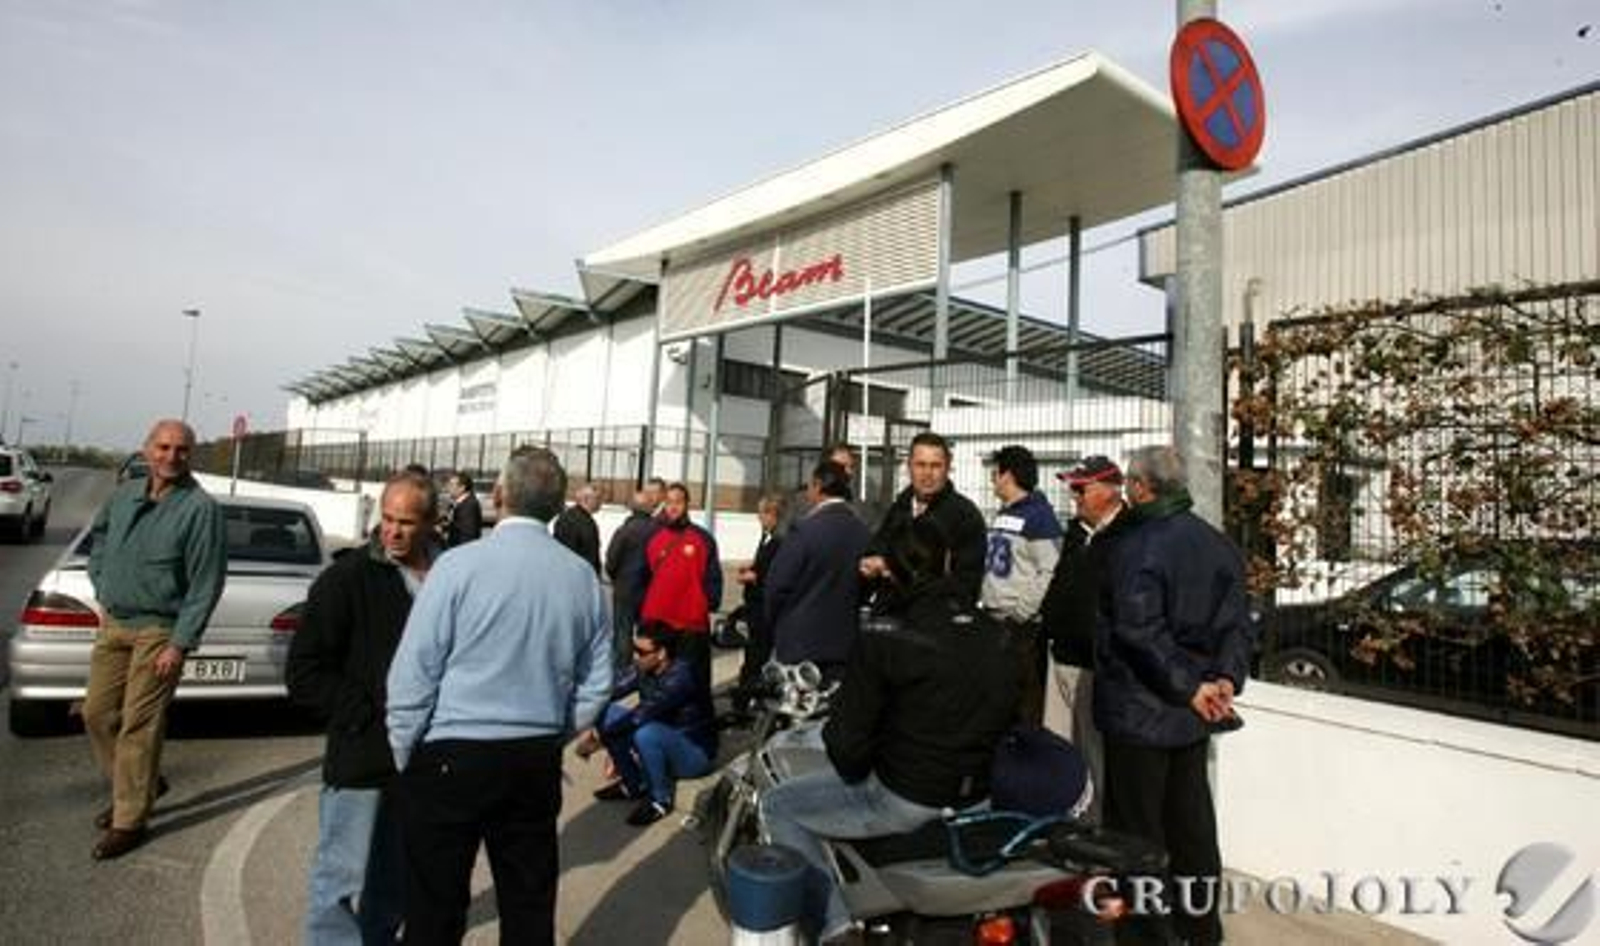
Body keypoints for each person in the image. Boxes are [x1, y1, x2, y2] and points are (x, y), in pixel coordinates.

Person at [385, 447, 612, 946]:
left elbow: (414, 672)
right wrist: (556, 729)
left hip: (451, 752)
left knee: (433, 908)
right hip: (532, 756)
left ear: (501, 494)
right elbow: (598, 680)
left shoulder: (458, 566)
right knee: (528, 906)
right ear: (558, 505)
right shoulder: (582, 578)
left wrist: (405, 750)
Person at [761, 515, 1019, 943]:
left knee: (778, 805)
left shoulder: (886, 635)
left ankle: (835, 927)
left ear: (890, 570)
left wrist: (865, 764)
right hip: (977, 794)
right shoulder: (995, 632)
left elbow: (847, 741)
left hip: (907, 795)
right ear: (948, 560)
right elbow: (1008, 713)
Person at [1094, 445, 1254, 946]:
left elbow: (1139, 630)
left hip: (1142, 712)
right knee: (1192, 827)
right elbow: (1237, 623)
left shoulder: (1136, 546)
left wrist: (1191, 687)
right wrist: (1224, 678)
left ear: (1142, 488)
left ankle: (1148, 934)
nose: (1126, 491)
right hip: (1192, 715)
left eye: (1129, 484)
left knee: (1137, 835)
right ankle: (1201, 928)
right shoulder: (1218, 543)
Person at [287, 470, 440, 945]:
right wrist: (363, 715)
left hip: (424, 758)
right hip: (363, 757)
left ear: (431, 522)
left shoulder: (450, 575)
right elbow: (304, 672)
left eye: (406, 523)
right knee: (341, 877)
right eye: (387, 519)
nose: (393, 531)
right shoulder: (346, 579)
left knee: (395, 877)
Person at [82, 419, 227, 860]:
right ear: (147, 449)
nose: (171, 456)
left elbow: (206, 582)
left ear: (191, 455)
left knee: (139, 726)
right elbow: (100, 539)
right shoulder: (125, 494)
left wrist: (180, 643)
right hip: (115, 622)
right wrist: (102, 584)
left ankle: (129, 820)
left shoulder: (200, 509)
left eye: (181, 449)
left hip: (159, 631)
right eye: (163, 447)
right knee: (96, 713)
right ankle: (143, 783)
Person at [1040, 455, 1135, 823]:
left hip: (1096, 666)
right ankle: (1062, 821)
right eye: (1073, 488)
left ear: (1111, 491)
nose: (1075, 496)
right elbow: (1061, 584)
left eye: (1082, 488)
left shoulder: (1129, 536)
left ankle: (1095, 827)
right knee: (1059, 751)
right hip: (1061, 656)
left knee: (1094, 755)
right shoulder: (1078, 532)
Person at [575, 629, 717, 826]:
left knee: (645, 733)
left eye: (642, 652)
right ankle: (634, 784)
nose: (636, 656)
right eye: (634, 650)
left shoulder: (680, 677)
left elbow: (640, 715)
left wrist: (597, 742)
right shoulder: (645, 668)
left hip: (693, 754)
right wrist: (586, 720)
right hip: (662, 740)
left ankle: (660, 800)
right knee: (606, 712)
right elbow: (610, 690)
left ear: (662, 653)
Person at [764, 460, 871, 683]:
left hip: (800, 645)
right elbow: (867, 585)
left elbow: (777, 586)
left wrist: (778, 623)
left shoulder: (804, 530)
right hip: (843, 643)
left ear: (817, 486)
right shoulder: (863, 532)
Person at [981, 445, 1062, 727]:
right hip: (995, 619)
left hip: (1020, 626)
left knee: (1023, 704)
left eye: (995, 473)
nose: (992, 480)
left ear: (1008, 475)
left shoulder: (1039, 516)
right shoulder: (1006, 513)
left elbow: (1050, 569)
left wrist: (1021, 612)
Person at [860, 431, 987, 605]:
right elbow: (878, 549)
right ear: (909, 466)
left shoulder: (965, 516)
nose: (927, 473)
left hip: (935, 617)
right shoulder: (900, 507)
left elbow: (966, 587)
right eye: (920, 465)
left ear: (948, 468)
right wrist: (869, 565)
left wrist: (895, 571)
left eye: (935, 466)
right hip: (888, 615)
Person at [634, 482, 722, 695]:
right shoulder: (654, 538)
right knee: (656, 684)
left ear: (687, 504)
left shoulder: (703, 539)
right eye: (669, 502)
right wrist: (642, 619)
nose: (673, 507)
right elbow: (643, 579)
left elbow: (713, 579)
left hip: (691, 625)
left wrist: (705, 603)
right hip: (658, 623)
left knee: (693, 683)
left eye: (678, 502)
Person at [732, 494, 785, 709]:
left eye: (762, 513)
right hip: (755, 606)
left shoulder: (779, 540)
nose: (759, 518)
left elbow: (774, 572)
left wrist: (752, 576)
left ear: (772, 514)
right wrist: (751, 566)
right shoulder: (767, 537)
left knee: (756, 656)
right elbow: (763, 563)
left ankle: (746, 699)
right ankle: (747, 695)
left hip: (763, 608)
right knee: (753, 654)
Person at [604, 486, 657, 667]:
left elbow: (611, 561)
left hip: (625, 588)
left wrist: (616, 579)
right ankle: (647, 665)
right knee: (647, 632)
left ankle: (623, 668)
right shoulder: (659, 531)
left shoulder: (624, 531)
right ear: (649, 508)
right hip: (650, 588)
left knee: (623, 632)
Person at [553, 482, 602, 574]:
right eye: (597, 499)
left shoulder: (582, 519)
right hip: (576, 574)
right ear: (586, 499)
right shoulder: (575, 521)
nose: (600, 503)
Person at [443, 472, 482, 547]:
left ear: (462, 488)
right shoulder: (456, 503)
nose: (448, 488)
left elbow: (468, 535)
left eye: (451, 485)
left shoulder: (469, 505)